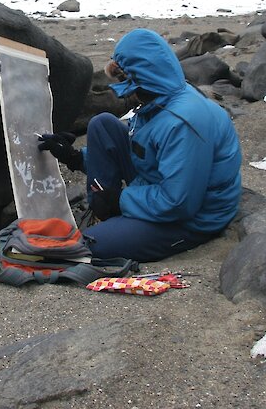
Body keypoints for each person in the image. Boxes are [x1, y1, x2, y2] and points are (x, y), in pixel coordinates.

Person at [38, 28, 242, 262]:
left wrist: (121, 199)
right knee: (102, 124)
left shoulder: (184, 121)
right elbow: (143, 150)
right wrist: (74, 157)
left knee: (89, 246)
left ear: (142, 75)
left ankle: (113, 213)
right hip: (162, 185)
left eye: (125, 78)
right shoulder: (159, 96)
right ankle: (105, 210)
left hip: (192, 218)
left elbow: (179, 203)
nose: (123, 86)